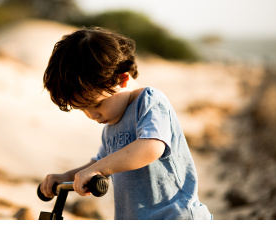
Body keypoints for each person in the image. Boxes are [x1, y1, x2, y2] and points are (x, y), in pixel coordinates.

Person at [40, 27, 212, 220]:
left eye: (97, 104)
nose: (92, 115)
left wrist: (99, 169)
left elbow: (151, 147)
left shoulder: (150, 102)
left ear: (122, 78)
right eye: (83, 109)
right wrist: (66, 177)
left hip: (174, 217)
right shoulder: (111, 125)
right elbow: (99, 163)